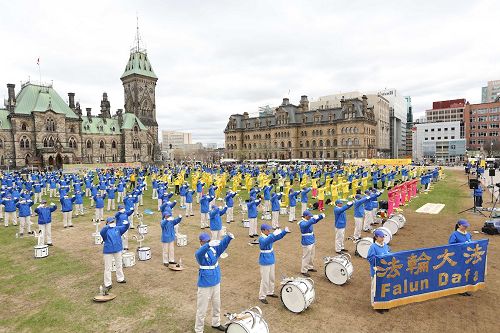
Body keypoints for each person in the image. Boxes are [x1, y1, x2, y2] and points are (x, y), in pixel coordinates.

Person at [194, 232, 234, 333]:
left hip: (216, 281)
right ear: (201, 242)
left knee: (217, 304)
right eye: (206, 241)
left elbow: (221, 246)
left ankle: (216, 323)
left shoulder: (213, 249)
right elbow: (198, 254)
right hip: (205, 284)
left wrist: (228, 238)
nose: (208, 242)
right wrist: (208, 245)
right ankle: (199, 329)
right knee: (202, 308)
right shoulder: (200, 252)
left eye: (209, 240)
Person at [258, 224, 289, 304]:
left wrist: (284, 232)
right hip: (265, 261)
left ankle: (270, 292)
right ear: (263, 231)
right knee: (265, 279)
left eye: (269, 230)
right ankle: (262, 296)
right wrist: (273, 234)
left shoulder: (269, 236)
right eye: (267, 230)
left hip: (271, 259)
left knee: (272, 277)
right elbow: (267, 241)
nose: (269, 231)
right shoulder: (261, 238)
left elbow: (276, 237)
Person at [100, 216, 129, 292]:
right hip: (108, 251)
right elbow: (101, 232)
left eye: (113, 222)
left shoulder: (118, 229)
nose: (113, 223)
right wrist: (107, 226)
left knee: (119, 265)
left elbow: (125, 228)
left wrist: (127, 224)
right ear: (107, 223)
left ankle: (120, 278)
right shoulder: (105, 231)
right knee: (108, 268)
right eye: (111, 222)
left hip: (118, 249)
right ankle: (108, 283)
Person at [367, 229, 391, 313]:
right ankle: (376, 305)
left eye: (383, 236)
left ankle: (384, 304)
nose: (383, 238)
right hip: (376, 272)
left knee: (384, 288)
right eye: (381, 237)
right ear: (376, 237)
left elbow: (389, 253)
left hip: (385, 271)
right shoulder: (373, 247)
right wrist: (378, 262)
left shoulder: (385, 245)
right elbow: (370, 258)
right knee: (375, 288)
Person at [298, 210, 324, 277]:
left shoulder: (308, 220)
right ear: (305, 216)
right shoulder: (302, 223)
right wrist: (312, 219)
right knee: (306, 256)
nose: (310, 217)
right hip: (306, 241)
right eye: (309, 216)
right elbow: (308, 224)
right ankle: (303, 270)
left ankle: (310, 267)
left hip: (312, 239)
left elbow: (314, 221)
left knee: (312, 255)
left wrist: (320, 216)